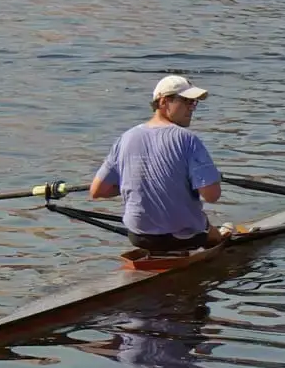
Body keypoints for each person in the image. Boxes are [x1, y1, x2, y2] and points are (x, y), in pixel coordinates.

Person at [90, 73, 226, 252]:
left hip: (138, 236)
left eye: (194, 103)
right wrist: (210, 178)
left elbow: (98, 190)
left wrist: (136, 184)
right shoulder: (188, 139)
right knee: (218, 235)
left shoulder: (125, 138)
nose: (192, 108)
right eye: (186, 101)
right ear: (163, 102)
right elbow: (212, 195)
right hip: (183, 238)